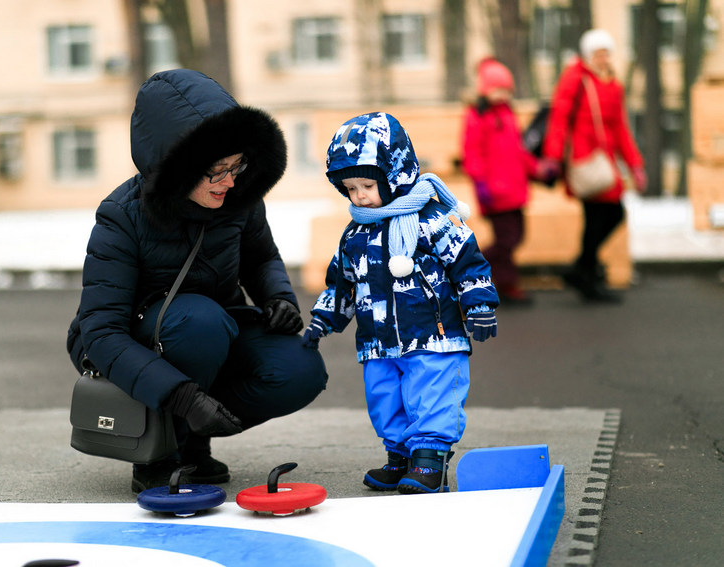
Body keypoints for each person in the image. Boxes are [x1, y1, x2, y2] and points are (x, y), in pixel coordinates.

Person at [66, 69, 328, 492]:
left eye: (237, 166)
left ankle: (191, 439)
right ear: (176, 166)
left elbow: (262, 256)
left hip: (213, 330)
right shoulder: (121, 217)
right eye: (215, 171)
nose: (230, 181)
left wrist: (277, 296)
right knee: (198, 321)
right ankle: (158, 453)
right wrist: (181, 396)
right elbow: (99, 331)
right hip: (137, 339)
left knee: (299, 367)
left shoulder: (238, 198)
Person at [302, 112, 499, 494]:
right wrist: (323, 320)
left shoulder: (431, 217)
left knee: (432, 393)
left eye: (366, 185)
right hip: (377, 341)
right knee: (384, 398)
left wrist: (478, 302)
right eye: (350, 188)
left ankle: (429, 459)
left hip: (432, 335)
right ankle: (400, 455)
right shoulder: (355, 232)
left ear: (394, 174)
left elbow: (465, 257)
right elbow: (342, 282)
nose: (359, 196)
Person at [542, 29, 646, 302]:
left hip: (605, 163)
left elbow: (621, 128)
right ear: (588, 55)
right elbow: (559, 119)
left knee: (608, 216)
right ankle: (586, 274)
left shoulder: (613, 84)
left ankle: (583, 270)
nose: (603, 58)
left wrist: (634, 164)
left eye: (606, 53)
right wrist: (553, 157)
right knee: (600, 217)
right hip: (584, 161)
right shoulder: (575, 79)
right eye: (598, 53)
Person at [461, 57, 555, 306]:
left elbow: (520, 152)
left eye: (506, 90)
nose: (502, 95)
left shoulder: (508, 115)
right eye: (497, 89)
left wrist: (539, 169)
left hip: (514, 190)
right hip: (494, 192)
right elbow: (472, 152)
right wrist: (480, 183)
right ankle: (468, 269)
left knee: (516, 237)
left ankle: (506, 285)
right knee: (507, 240)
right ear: (485, 89)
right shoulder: (477, 116)